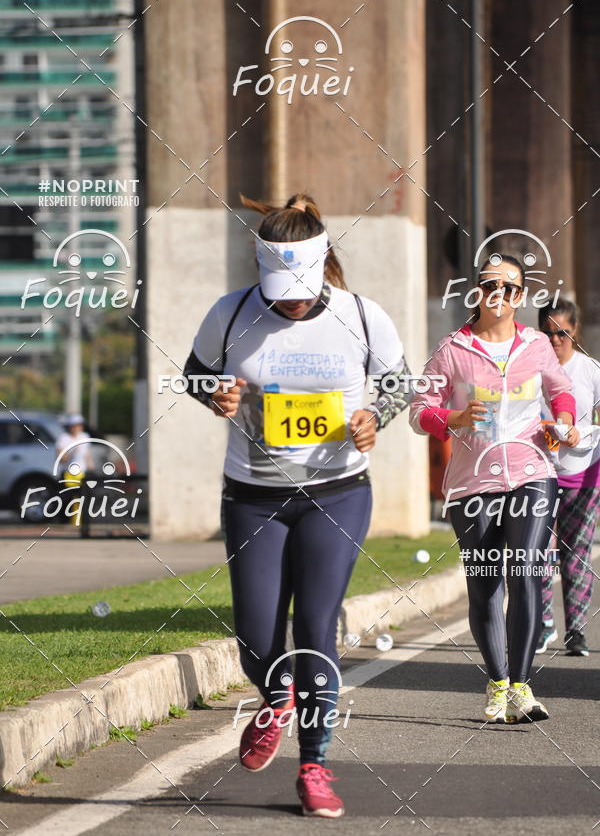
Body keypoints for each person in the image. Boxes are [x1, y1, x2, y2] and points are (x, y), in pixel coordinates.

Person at [184, 193, 411, 818]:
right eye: (280, 289)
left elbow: (398, 385)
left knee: (315, 627)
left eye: (302, 288)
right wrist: (218, 395)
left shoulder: (362, 316)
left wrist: (373, 416)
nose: (292, 301)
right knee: (257, 636)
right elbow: (195, 372)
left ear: (322, 264)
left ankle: (314, 766)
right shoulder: (230, 314)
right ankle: (276, 694)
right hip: (253, 497)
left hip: (337, 493)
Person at [409, 254, 576, 724]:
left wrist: (562, 420)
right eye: (489, 285)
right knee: (485, 586)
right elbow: (419, 409)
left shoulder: (538, 345)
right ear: (477, 292)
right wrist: (453, 417)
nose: (499, 294)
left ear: (520, 297)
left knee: (524, 570)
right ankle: (498, 681)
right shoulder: (452, 349)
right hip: (473, 482)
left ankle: (522, 687)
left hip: (532, 471)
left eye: (510, 287)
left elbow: (560, 390)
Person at [536, 299, 600, 658]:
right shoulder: (530, 372)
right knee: (537, 554)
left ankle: (576, 631)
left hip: (585, 475)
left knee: (576, 555)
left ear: (574, 331)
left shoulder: (590, 370)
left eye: (561, 332)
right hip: (539, 475)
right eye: (547, 333)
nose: (554, 339)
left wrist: (584, 433)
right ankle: (543, 625)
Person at [55, 413, 93, 527]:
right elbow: (61, 458)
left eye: (78, 425)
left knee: (84, 499)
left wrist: (91, 467)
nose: (75, 428)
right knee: (67, 499)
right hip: (68, 474)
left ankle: (84, 522)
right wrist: (71, 452)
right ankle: (65, 522)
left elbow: (86, 454)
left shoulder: (85, 437)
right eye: (73, 425)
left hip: (82, 474)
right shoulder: (63, 439)